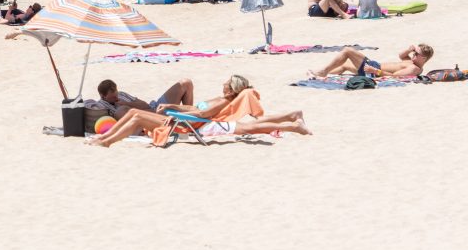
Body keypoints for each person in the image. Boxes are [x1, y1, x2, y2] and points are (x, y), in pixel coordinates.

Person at [86, 76, 310, 147]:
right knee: (254, 127)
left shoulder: (220, 102)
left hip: (187, 124)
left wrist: (174, 111)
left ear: (230, 89)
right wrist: (175, 106)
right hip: (185, 119)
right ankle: (105, 138)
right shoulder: (219, 98)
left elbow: (201, 115)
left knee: (254, 127)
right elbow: (194, 107)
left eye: (227, 82)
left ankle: (106, 141)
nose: (223, 82)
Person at [309, 44, 433, 78]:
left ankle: (324, 71)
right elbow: (401, 56)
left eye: (416, 54)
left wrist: (375, 71)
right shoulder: (412, 62)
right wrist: (409, 49)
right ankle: (322, 74)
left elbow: (394, 76)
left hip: (373, 70)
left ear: (423, 58)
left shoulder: (414, 69)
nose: (413, 54)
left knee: (348, 51)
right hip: (373, 67)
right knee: (346, 65)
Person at [95, 78, 195, 119]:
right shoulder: (102, 106)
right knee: (122, 110)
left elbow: (145, 105)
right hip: (149, 119)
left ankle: (190, 120)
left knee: (186, 83)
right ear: (103, 96)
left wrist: (128, 103)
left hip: (156, 107)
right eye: (112, 93)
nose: (116, 94)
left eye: (116, 90)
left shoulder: (121, 95)